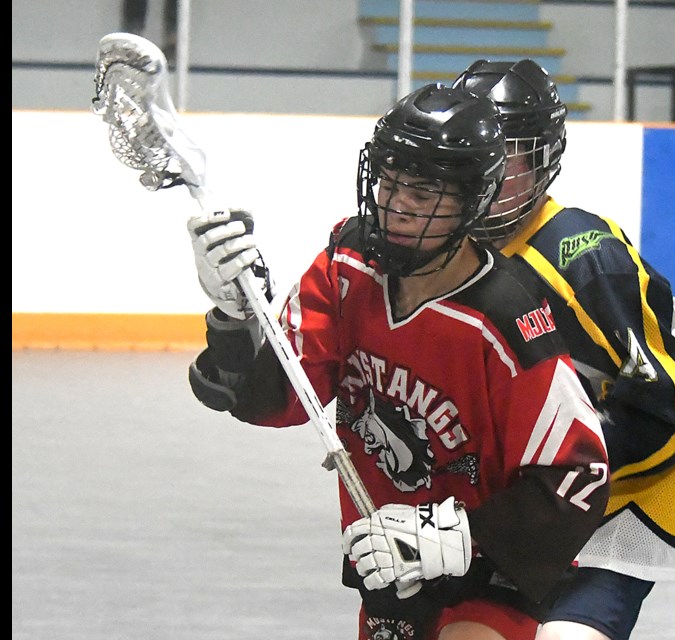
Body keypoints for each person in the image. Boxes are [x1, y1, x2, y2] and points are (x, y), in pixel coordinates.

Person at [184, 83, 611, 640]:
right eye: (390, 180)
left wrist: (457, 537)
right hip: (388, 573)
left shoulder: (507, 321)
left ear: (474, 200)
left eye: (426, 189)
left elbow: (579, 478)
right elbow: (279, 399)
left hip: (488, 574)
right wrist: (236, 318)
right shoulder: (348, 263)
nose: (398, 203)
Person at [452, 59, 675, 640]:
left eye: (507, 154)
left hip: (621, 504)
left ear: (543, 158)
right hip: (530, 503)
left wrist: (563, 466)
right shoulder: (453, 250)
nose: (486, 173)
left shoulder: (580, 254)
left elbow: (674, 412)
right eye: (475, 153)